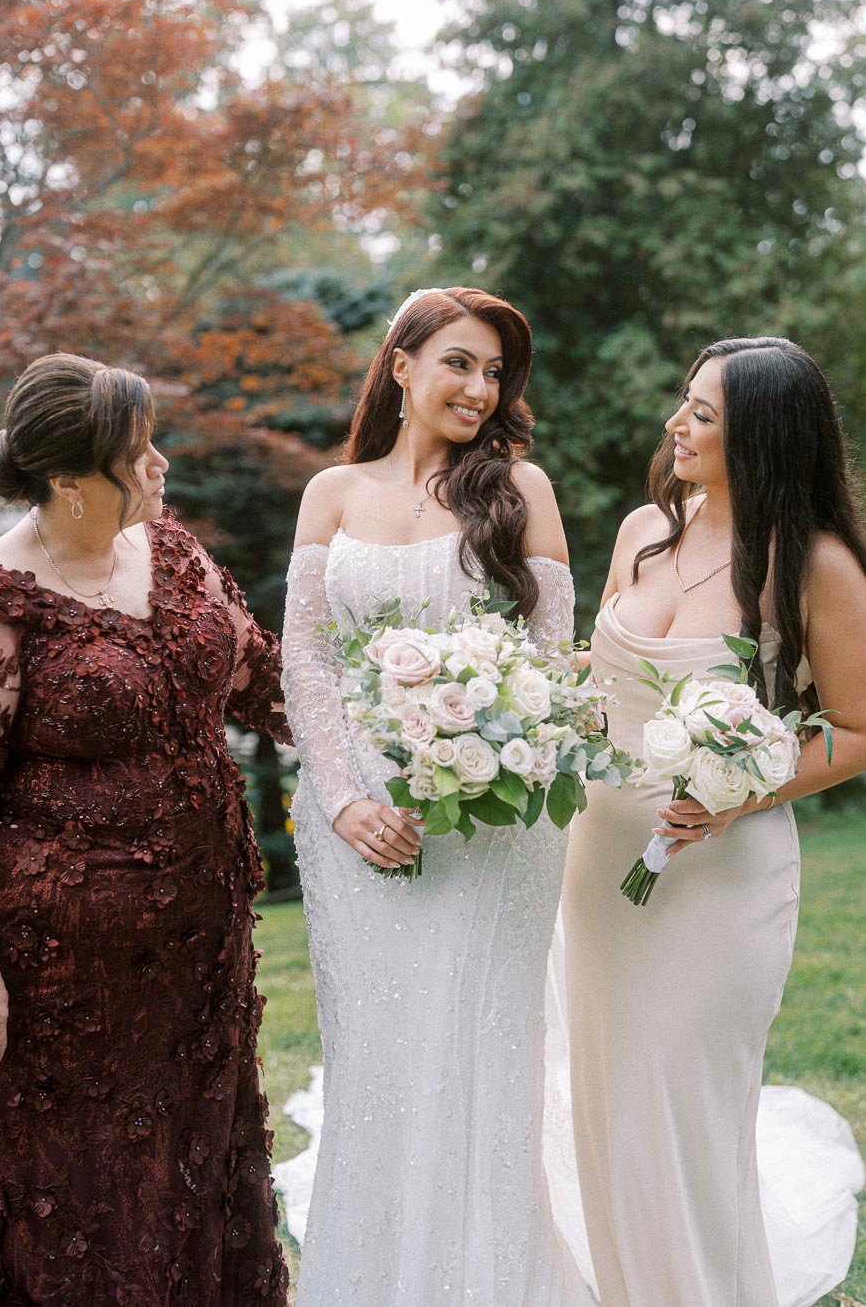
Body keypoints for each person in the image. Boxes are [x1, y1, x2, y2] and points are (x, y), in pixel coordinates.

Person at [281, 287, 595, 1306]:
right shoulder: (330, 492)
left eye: (496, 371)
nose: (480, 386)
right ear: (404, 364)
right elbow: (307, 660)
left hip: (491, 823)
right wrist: (340, 802)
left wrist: (494, 763)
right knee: (380, 1057)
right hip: (360, 821)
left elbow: (551, 668)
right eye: (460, 361)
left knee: (477, 1046)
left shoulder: (523, 491)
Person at [0, 353, 290, 1305]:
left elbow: (265, 686)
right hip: (63, 968)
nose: (159, 466)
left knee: (193, 1168)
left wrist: (413, 720)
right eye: (135, 454)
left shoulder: (176, 551)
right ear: (68, 482)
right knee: (82, 1186)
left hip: (203, 949)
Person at [561, 337, 866, 1306]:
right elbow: (598, 682)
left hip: (720, 883)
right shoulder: (644, 531)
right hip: (601, 857)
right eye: (683, 404)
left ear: (765, 435)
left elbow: (859, 727)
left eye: (703, 414)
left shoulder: (814, 566)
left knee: (683, 1110)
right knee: (607, 1102)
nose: (675, 424)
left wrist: (746, 792)